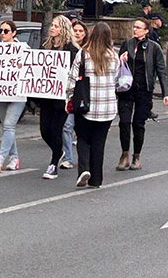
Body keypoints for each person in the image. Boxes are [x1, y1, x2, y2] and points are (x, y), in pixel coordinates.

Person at [68, 21, 119, 188]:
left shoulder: (83, 54)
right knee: (99, 142)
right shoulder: (114, 56)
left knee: (82, 137)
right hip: (107, 107)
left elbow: (72, 78)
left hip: (86, 105)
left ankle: (84, 168)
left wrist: (69, 97)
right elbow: (117, 80)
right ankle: (96, 179)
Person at [116, 17, 168, 171]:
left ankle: (136, 156)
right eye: (134, 27)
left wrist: (165, 92)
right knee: (124, 122)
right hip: (126, 89)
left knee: (138, 123)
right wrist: (121, 60)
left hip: (144, 90)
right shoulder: (127, 44)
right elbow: (117, 66)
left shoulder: (153, 47)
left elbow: (161, 70)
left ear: (146, 30)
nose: (135, 30)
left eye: (139, 27)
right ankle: (124, 153)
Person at [39, 15, 80, 179]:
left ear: (63, 28)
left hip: (61, 97)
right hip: (46, 95)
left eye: (55, 26)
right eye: (52, 25)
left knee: (56, 130)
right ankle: (60, 151)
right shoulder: (45, 47)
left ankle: (53, 164)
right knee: (44, 131)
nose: (52, 28)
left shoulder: (71, 50)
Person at [0, 21, 27, 173]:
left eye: (6, 31)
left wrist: (22, 65)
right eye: (1, 30)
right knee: (7, 126)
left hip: (17, 93)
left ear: (14, 33)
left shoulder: (23, 48)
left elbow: (31, 66)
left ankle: (0, 158)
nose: (3, 34)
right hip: (1, 92)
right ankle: (14, 157)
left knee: (9, 125)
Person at [60, 20, 89, 169]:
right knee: (67, 126)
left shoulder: (89, 50)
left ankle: (86, 157)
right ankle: (68, 158)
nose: (77, 33)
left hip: (84, 93)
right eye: (75, 30)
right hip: (71, 92)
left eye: (80, 31)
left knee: (83, 127)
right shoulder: (66, 48)